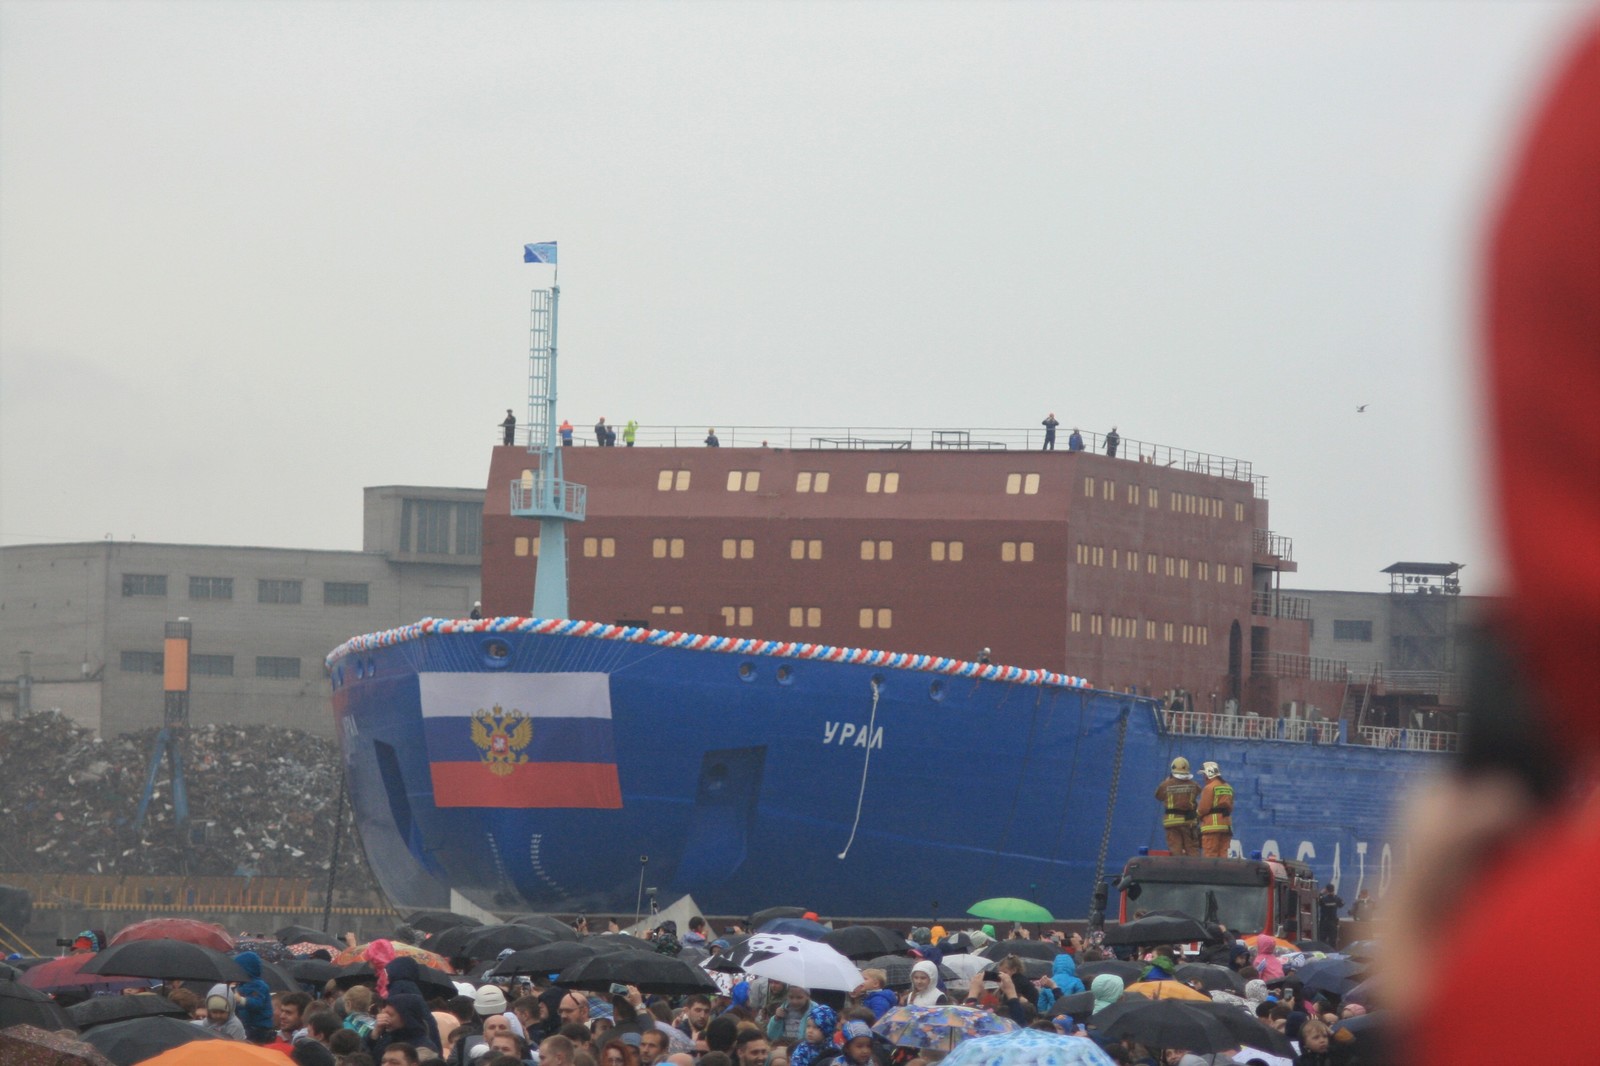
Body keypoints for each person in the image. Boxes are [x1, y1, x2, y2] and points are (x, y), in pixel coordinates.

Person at [1154, 756, 1201, 856]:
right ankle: (1195, 870)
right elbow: (1199, 791)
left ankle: (1178, 869)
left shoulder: (1166, 785)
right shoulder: (1193, 785)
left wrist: (1168, 781)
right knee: (1192, 848)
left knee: (1175, 849)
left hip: (1171, 821)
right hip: (1189, 822)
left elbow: (1158, 796)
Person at [1196, 760, 1233, 857]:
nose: (1204, 777)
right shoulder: (1228, 787)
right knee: (1223, 855)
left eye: (1204, 774)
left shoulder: (1209, 788)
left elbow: (1203, 808)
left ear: (1209, 773)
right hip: (1226, 826)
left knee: (1210, 855)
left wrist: (1195, 817)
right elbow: (1230, 807)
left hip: (1211, 827)